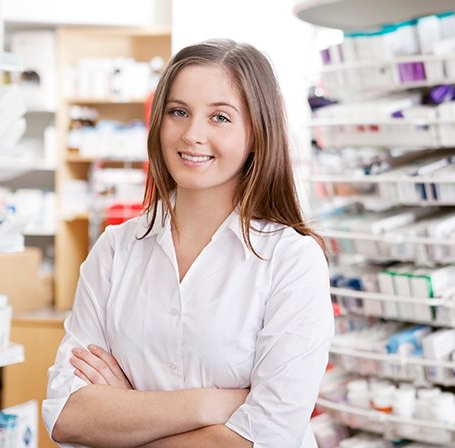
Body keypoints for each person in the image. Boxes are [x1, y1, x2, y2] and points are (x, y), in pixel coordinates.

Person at [42, 39, 334, 448]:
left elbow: (266, 435)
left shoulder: (292, 260)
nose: (193, 134)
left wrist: (126, 414)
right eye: (178, 112)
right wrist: (208, 405)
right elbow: (67, 415)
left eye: (220, 117)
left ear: (257, 132)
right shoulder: (115, 250)